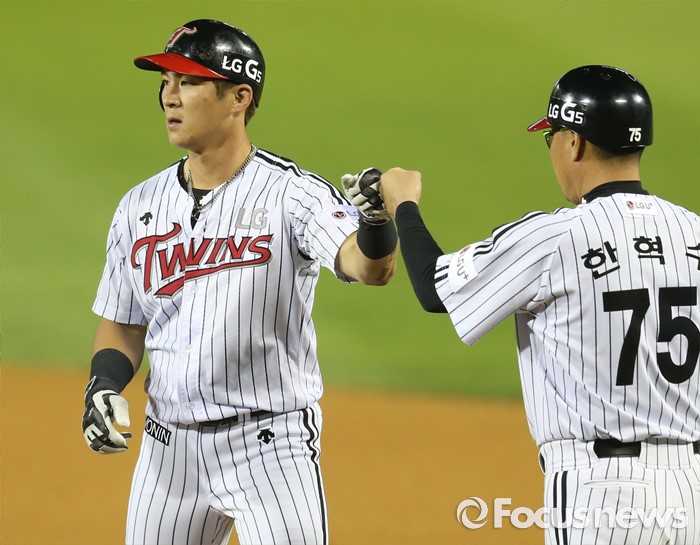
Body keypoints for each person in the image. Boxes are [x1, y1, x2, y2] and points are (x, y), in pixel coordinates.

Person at [80, 19, 397, 545]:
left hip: (270, 449)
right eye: (166, 82)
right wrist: (103, 385)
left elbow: (369, 268)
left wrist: (376, 223)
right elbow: (124, 324)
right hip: (167, 452)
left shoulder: (293, 194)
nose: (169, 97)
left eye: (188, 82)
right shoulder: (138, 206)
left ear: (239, 97)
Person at [377, 65, 700, 544]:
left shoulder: (554, 237)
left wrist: (402, 204)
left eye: (551, 137)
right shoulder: (693, 232)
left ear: (574, 143)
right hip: (691, 490)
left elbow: (434, 288)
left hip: (602, 493)